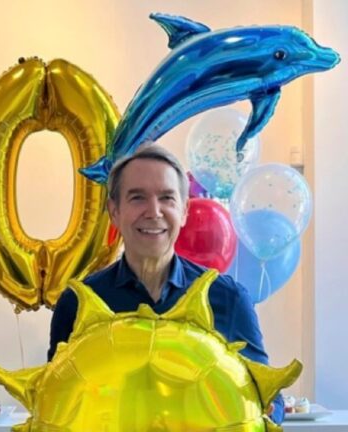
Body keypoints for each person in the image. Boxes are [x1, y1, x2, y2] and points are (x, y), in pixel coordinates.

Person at [48, 145, 284, 424]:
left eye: (167, 198)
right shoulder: (78, 303)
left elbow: (269, 398)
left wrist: (266, 408)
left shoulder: (228, 298)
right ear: (114, 212)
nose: (154, 211)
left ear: (184, 211)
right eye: (137, 197)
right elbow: (56, 399)